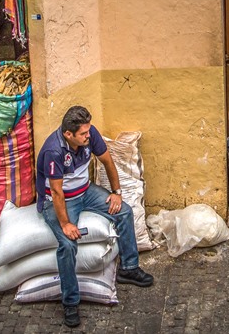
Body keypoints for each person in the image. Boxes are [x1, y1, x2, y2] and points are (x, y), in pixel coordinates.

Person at [35, 106, 154, 328]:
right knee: (68, 245)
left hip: (85, 191)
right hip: (58, 202)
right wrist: (66, 224)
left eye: (88, 131)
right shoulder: (54, 151)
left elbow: (108, 161)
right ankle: (70, 302)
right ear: (69, 134)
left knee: (125, 211)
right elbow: (57, 192)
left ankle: (129, 268)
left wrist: (117, 194)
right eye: (83, 133)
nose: (88, 136)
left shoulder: (90, 135)